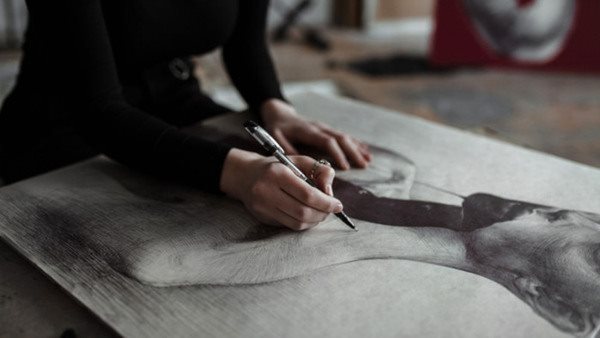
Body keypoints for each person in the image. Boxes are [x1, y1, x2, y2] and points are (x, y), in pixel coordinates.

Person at [0, 0, 371, 231]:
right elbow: (99, 111)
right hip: (65, 123)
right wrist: (239, 174)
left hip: (176, 98)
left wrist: (276, 106)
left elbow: (245, 42)